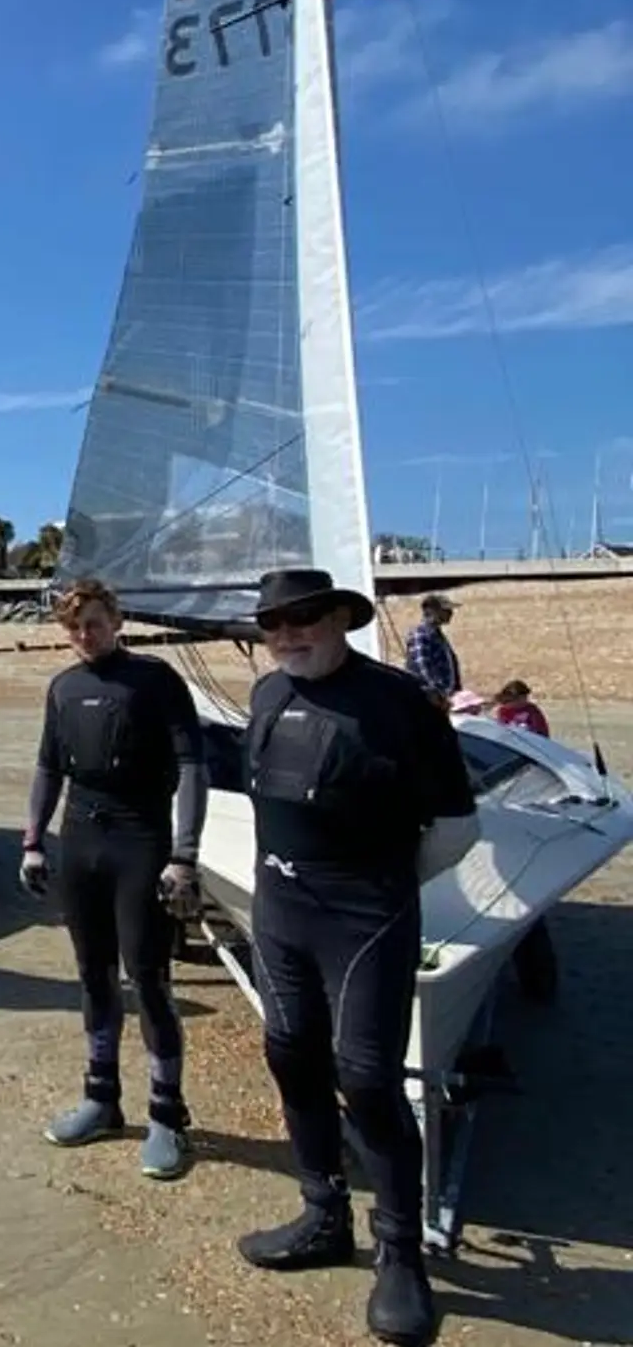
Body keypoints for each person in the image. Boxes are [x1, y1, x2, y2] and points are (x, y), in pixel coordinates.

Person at [234, 568, 478, 1347]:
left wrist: (381, 887)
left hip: (366, 917)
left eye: (305, 617)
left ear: (342, 618)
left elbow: (457, 827)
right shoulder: (267, 695)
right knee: (290, 1054)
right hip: (281, 909)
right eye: (273, 623)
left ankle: (401, 1254)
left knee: (367, 1077)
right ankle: (323, 1215)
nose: (287, 634)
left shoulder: (399, 701)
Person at [21, 578, 204, 1180]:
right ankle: (101, 1099)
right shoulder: (64, 687)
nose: (85, 635)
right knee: (93, 975)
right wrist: (32, 843)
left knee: (148, 979)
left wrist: (184, 855)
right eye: (74, 627)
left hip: (140, 840)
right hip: (81, 841)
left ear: (117, 620)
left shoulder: (155, 680)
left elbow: (191, 765)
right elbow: (48, 768)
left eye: (95, 623)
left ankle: (167, 1116)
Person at [404, 592, 461, 703]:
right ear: (431, 611)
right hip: (430, 698)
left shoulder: (436, 635)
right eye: (445, 610)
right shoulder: (420, 634)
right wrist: (437, 692)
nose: (450, 613)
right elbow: (422, 667)